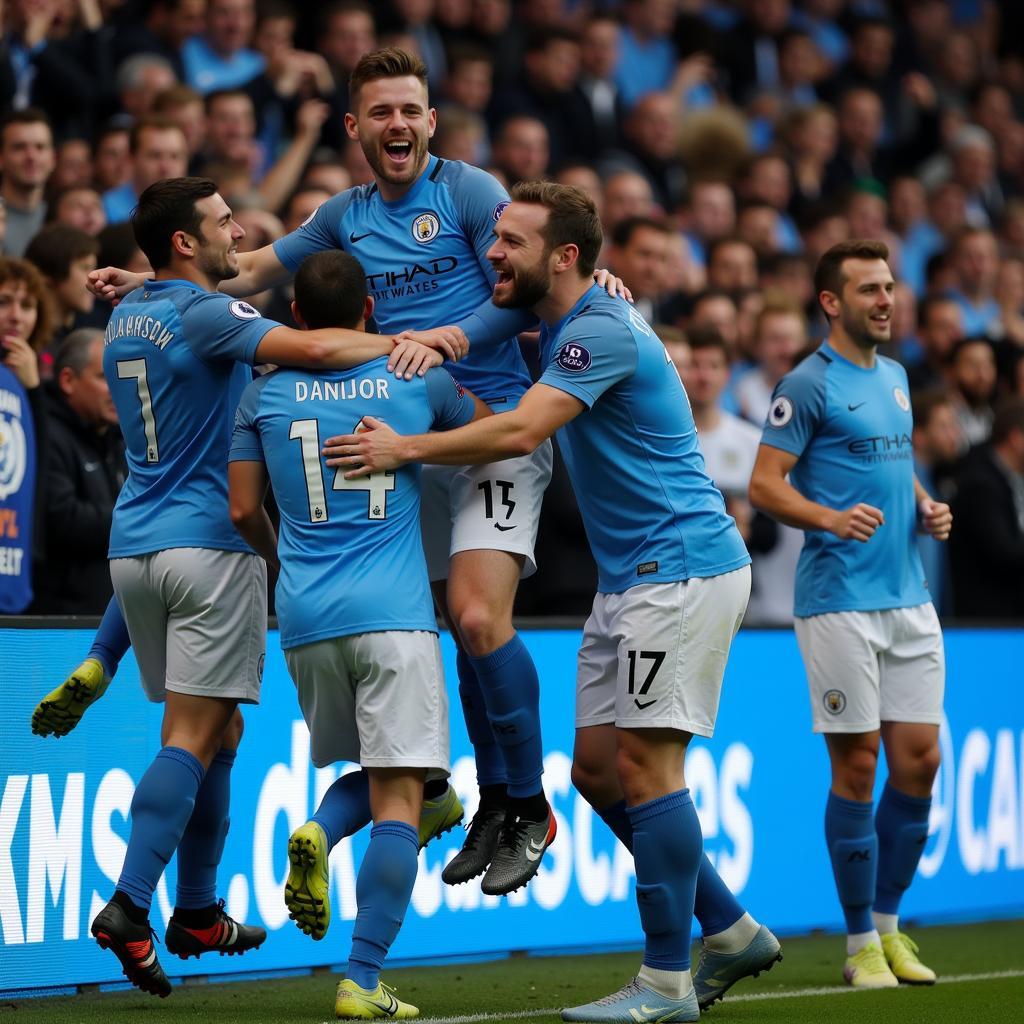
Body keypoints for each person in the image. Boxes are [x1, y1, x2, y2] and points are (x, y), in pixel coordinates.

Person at [86, 46, 627, 897]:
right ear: (354, 127)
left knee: (479, 618)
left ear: (431, 120)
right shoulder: (344, 214)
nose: (398, 125)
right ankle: (478, 798)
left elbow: (528, 275)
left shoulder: (470, 192)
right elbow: (256, 267)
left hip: (488, 426)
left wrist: (499, 321)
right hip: (401, 445)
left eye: (411, 109)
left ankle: (526, 802)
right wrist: (154, 277)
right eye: (380, 112)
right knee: (440, 632)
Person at [326, 181, 781, 1022]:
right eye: (493, 237)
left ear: (564, 257)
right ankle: (730, 930)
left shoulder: (598, 329)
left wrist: (405, 447)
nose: (491, 252)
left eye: (511, 242)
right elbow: (513, 335)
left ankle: (666, 983)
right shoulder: (575, 321)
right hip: (634, 579)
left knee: (648, 769)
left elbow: (519, 431)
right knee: (600, 771)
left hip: (679, 570)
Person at [87, 175, 446, 998]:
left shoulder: (127, 316)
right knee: (191, 734)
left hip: (132, 545)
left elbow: (197, 306)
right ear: (184, 240)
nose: (238, 232)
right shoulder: (217, 320)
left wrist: (142, 280)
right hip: (208, 547)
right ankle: (129, 903)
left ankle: (198, 909)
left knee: (217, 739)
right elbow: (314, 348)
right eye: (220, 222)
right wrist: (422, 342)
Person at [229, 248, 485, 1019]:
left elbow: (243, 510)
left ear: (298, 320)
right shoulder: (414, 378)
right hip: (396, 616)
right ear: (371, 312)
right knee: (403, 795)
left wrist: (287, 565)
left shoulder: (262, 396)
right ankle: (364, 979)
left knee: (388, 781)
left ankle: (317, 827)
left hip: (305, 619)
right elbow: (492, 430)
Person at [749, 239, 953, 990]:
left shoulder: (897, 377)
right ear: (831, 302)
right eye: (869, 289)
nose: (886, 300)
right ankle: (860, 939)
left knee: (921, 762)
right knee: (859, 763)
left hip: (909, 597)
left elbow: (892, 463)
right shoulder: (806, 385)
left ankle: (894, 928)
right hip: (838, 602)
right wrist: (829, 520)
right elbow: (766, 485)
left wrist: (926, 506)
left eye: (890, 287)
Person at [31, 329, 126, 614]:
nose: (116, 388)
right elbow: (61, 517)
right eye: (103, 377)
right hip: (58, 622)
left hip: (107, 615)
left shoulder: (120, 441)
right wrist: (139, 518)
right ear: (68, 381)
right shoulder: (46, 434)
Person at [948, 398, 1024, 620]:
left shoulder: (1007, 479)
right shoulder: (981, 484)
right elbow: (1004, 552)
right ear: (1016, 438)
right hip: (983, 622)